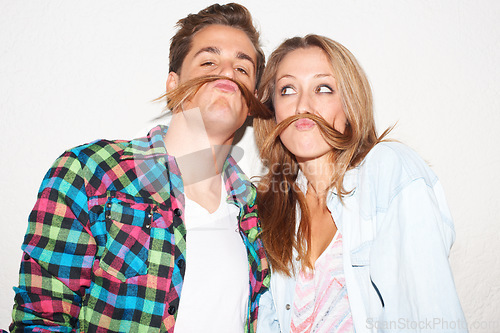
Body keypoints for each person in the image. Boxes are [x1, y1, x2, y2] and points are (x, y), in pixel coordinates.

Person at [10, 3, 270, 333]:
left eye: (242, 69)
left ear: (251, 101)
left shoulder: (258, 215)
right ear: (173, 85)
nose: (227, 73)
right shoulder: (91, 173)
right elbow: (42, 320)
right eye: (209, 61)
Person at [254, 35, 467, 332]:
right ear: (273, 109)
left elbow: (429, 314)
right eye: (287, 90)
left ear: (350, 105)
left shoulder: (388, 169)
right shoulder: (269, 208)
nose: (303, 105)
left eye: (323, 88)